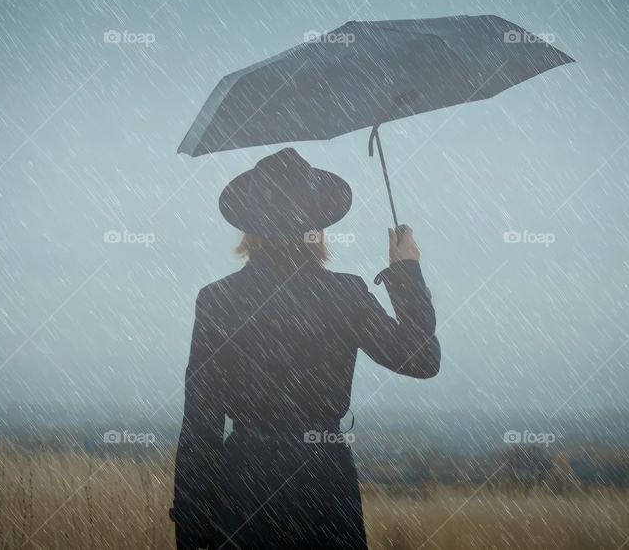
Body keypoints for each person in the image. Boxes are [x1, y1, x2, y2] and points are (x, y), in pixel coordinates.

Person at [170, 148, 440, 549]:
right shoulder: (345, 294)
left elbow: (200, 424)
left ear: (250, 229)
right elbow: (421, 358)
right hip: (324, 481)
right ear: (316, 228)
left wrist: (192, 532)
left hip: (245, 484)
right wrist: (406, 271)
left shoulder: (219, 299)